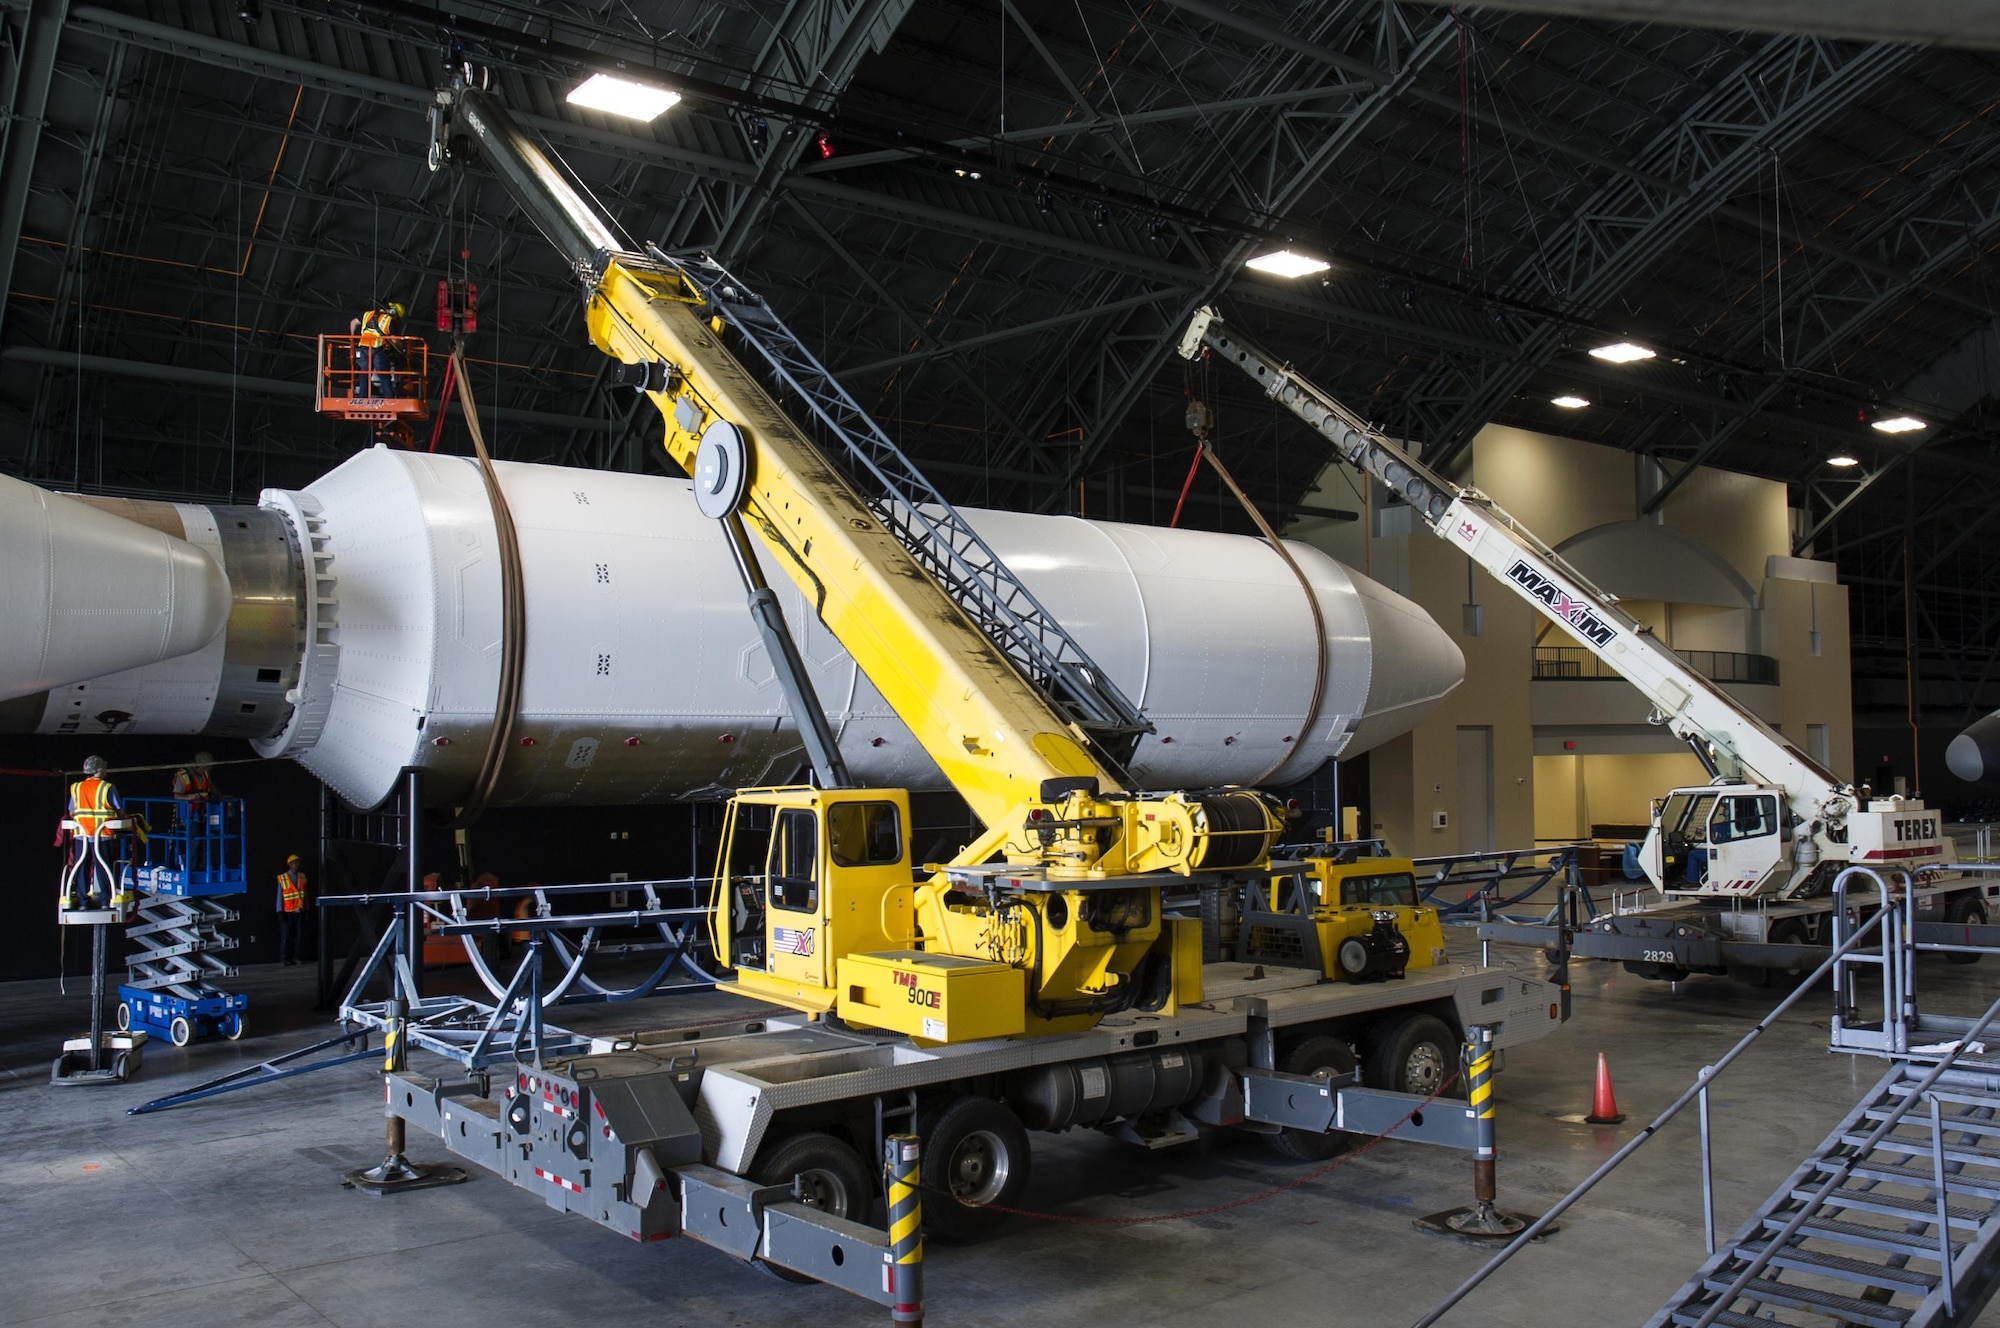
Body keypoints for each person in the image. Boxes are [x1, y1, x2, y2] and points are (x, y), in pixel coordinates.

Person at [63, 755, 128, 909]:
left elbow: (72, 812)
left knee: (81, 867)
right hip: (102, 835)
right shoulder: (107, 787)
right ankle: (106, 901)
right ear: (98, 770)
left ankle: (83, 902)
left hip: (82, 835)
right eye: (104, 768)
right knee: (103, 867)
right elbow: (119, 810)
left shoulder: (76, 787)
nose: (106, 770)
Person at [349, 301, 405, 398]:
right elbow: (394, 340)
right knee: (383, 375)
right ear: (393, 312)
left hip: (364, 347)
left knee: (364, 374)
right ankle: (389, 399)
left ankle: (362, 398)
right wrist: (401, 345)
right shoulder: (389, 320)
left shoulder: (367, 314)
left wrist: (352, 339)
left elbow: (353, 323)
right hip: (378, 349)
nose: (396, 319)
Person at [276, 853, 308, 965]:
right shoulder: (283, 878)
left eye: (297, 862)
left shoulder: (302, 877)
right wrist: (280, 911)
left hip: (299, 911)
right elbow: (279, 895)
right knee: (286, 936)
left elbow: (305, 894)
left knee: (298, 936)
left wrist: (306, 908)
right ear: (289, 864)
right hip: (287, 912)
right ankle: (284, 957)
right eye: (294, 862)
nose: (296, 864)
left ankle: (296, 956)